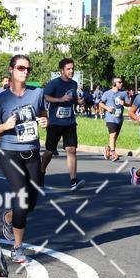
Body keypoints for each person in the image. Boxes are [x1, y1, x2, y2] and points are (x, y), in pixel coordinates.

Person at [0, 54, 48, 265]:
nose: (25, 72)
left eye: (28, 69)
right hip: (9, 152)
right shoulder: (0, 100)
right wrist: (5, 126)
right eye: (21, 68)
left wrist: (44, 120)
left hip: (32, 152)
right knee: (21, 198)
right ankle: (17, 248)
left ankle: (8, 217)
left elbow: (42, 112)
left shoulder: (37, 93)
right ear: (11, 70)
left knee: (31, 200)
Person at [41, 58, 84, 191]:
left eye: (72, 68)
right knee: (49, 151)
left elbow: (73, 98)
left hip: (69, 122)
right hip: (55, 123)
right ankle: (41, 171)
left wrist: (79, 101)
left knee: (71, 150)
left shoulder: (74, 84)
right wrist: (60, 99)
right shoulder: (54, 83)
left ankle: (73, 180)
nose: (71, 71)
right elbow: (46, 97)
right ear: (62, 70)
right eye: (68, 69)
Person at [99, 77, 131, 161]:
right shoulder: (107, 93)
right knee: (112, 135)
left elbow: (129, 103)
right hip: (110, 118)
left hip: (119, 119)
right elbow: (100, 103)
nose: (121, 83)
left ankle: (108, 148)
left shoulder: (124, 93)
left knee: (114, 137)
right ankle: (113, 153)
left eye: (121, 82)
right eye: (119, 82)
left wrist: (124, 103)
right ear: (114, 84)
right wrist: (107, 108)